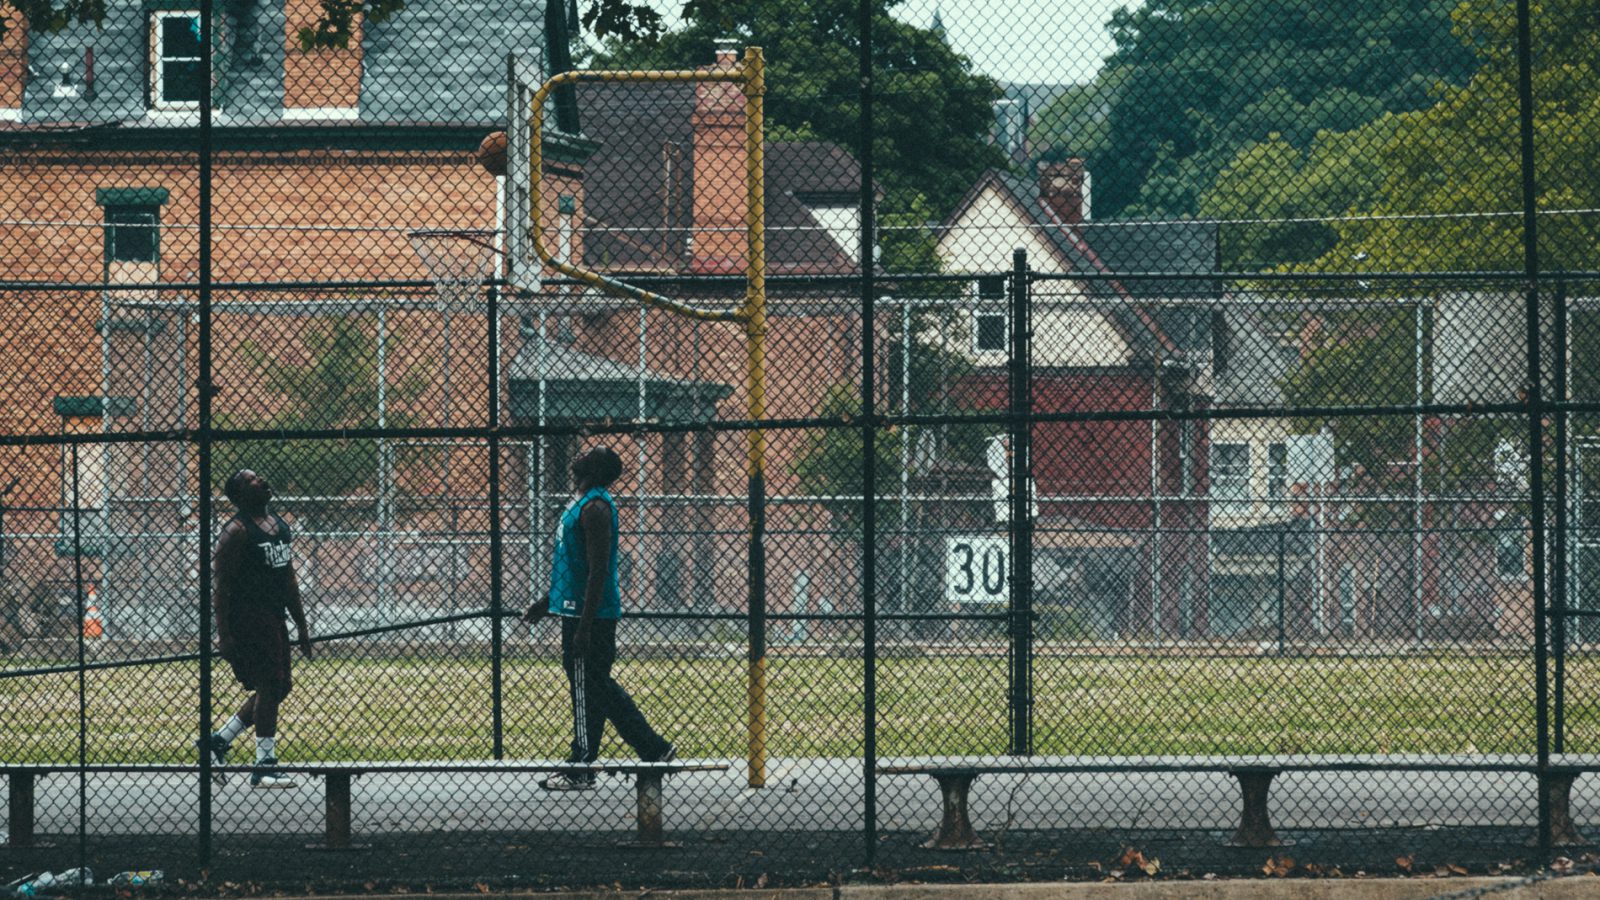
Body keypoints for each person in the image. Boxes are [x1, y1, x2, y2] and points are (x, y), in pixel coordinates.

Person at [522, 446, 674, 791]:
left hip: (591, 616)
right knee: (591, 688)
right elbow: (574, 568)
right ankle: (591, 762)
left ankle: (644, 748)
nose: (578, 454)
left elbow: (598, 571)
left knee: (594, 687)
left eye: (589, 453)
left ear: (595, 468)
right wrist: (547, 603)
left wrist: (585, 627)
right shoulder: (580, 504)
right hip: (576, 611)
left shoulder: (595, 509)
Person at [199, 469, 312, 789]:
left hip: (274, 617)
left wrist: (302, 625)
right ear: (239, 496)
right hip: (247, 618)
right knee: (269, 685)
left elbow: (289, 580)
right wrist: (224, 633)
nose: (261, 481)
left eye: (260, 477)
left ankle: (218, 742)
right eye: (251, 481)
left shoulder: (279, 526)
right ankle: (264, 765)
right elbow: (220, 588)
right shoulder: (235, 532)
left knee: (281, 686)